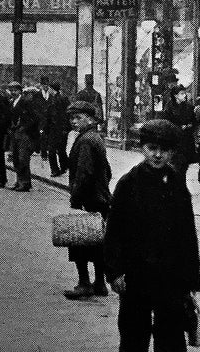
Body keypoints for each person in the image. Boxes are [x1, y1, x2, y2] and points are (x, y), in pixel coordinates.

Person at [104, 119, 199, 352]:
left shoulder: (176, 183)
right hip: (136, 274)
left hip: (170, 275)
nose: (157, 155)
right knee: (134, 333)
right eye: (151, 148)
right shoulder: (128, 184)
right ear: (141, 148)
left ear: (172, 152)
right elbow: (114, 231)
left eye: (164, 150)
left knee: (171, 334)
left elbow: (187, 233)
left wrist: (191, 278)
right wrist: (114, 271)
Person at [62, 100, 111, 300]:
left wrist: (76, 198)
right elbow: (107, 170)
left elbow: (84, 173)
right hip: (100, 198)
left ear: (90, 119)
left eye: (78, 117)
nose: (74, 121)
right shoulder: (95, 138)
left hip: (88, 199)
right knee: (98, 243)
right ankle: (100, 282)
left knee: (79, 241)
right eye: (72, 118)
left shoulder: (85, 141)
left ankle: (84, 283)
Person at [8, 80, 44, 192]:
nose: (13, 92)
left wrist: (25, 127)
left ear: (20, 91)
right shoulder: (11, 102)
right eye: (11, 90)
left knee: (23, 158)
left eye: (15, 90)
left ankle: (25, 183)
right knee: (16, 159)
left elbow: (35, 118)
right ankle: (19, 181)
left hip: (25, 135)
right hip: (14, 133)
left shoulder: (26, 102)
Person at [161, 84, 197, 173]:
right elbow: (166, 123)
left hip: (186, 139)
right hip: (174, 139)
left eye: (185, 93)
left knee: (184, 165)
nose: (184, 95)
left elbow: (194, 121)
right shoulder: (169, 107)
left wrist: (189, 126)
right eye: (181, 93)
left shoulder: (189, 107)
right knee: (174, 165)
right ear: (175, 95)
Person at [41, 76, 71, 176]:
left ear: (52, 89)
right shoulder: (62, 98)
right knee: (61, 150)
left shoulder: (55, 100)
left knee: (52, 151)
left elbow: (51, 116)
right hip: (61, 129)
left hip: (56, 129)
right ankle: (64, 166)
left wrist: (46, 128)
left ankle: (55, 170)